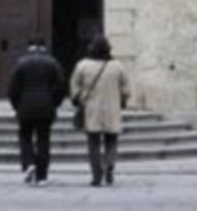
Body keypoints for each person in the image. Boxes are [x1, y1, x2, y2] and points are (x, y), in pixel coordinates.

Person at [70, 35, 130, 187]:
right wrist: (122, 101)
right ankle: (109, 165)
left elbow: (75, 87)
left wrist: (78, 99)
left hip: (91, 110)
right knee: (111, 140)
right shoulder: (117, 66)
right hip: (112, 109)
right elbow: (126, 89)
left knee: (93, 143)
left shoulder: (83, 65)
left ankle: (97, 174)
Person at [8, 38, 65, 186]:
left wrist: (17, 106)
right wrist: (54, 104)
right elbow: (60, 87)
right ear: (44, 47)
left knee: (25, 137)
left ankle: (29, 163)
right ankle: (42, 176)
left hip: (25, 107)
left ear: (29, 47)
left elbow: (13, 88)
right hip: (46, 107)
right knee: (43, 140)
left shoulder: (21, 63)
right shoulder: (52, 63)